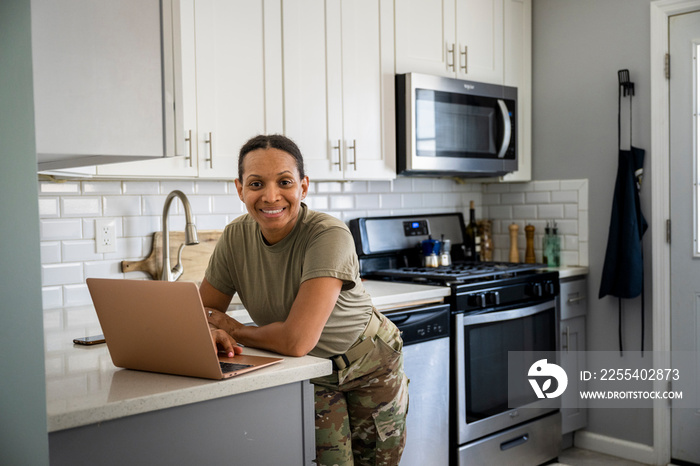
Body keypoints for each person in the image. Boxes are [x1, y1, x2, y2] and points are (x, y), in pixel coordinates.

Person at [201, 134, 408, 465]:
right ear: (240, 189)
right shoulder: (235, 237)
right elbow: (202, 312)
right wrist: (212, 330)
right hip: (307, 372)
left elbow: (296, 339)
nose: (271, 196)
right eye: (256, 184)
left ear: (303, 187)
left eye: (284, 182)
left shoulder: (329, 235)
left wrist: (235, 330)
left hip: (371, 366)